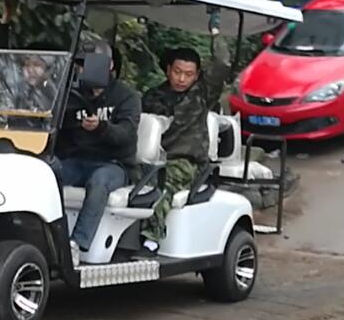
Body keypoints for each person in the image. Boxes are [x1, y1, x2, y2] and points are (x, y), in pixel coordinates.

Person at [140, 30, 235, 243]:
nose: (182, 78)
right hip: (151, 158)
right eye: (177, 71)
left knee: (165, 184)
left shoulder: (202, 94)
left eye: (188, 74)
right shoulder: (152, 96)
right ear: (168, 70)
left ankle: (151, 237)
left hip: (185, 161)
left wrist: (216, 33)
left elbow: (222, 64)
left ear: (197, 74)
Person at [53, 40, 141, 261]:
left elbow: (126, 135)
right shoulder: (71, 94)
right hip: (77, 159)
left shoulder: (126, 96)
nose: (84, 69)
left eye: (90, 64)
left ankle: (77, 245)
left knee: (99, 181)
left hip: (114, 163)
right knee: (48, 173)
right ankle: (46, 238)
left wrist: (102, 127)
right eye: (81, 64)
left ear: (110, 65)